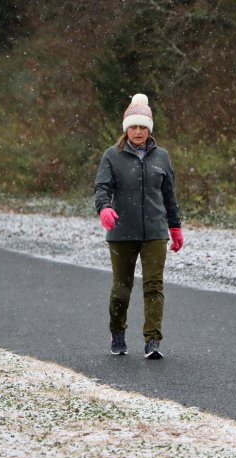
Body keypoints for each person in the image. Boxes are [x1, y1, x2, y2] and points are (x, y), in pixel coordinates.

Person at [94, 93, 183, 360]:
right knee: (122, 287)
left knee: (154, 286)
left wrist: (175, 227)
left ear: (149, 129)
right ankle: (118, 333)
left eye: (143, 127)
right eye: (133, 126)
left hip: (155, 231)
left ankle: (152, 341)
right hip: (122, 232)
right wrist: (104, 209)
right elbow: (102, 188)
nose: (138, 131)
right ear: (126, 129)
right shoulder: (112, 156)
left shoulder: (162, 157)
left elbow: (170, 196)